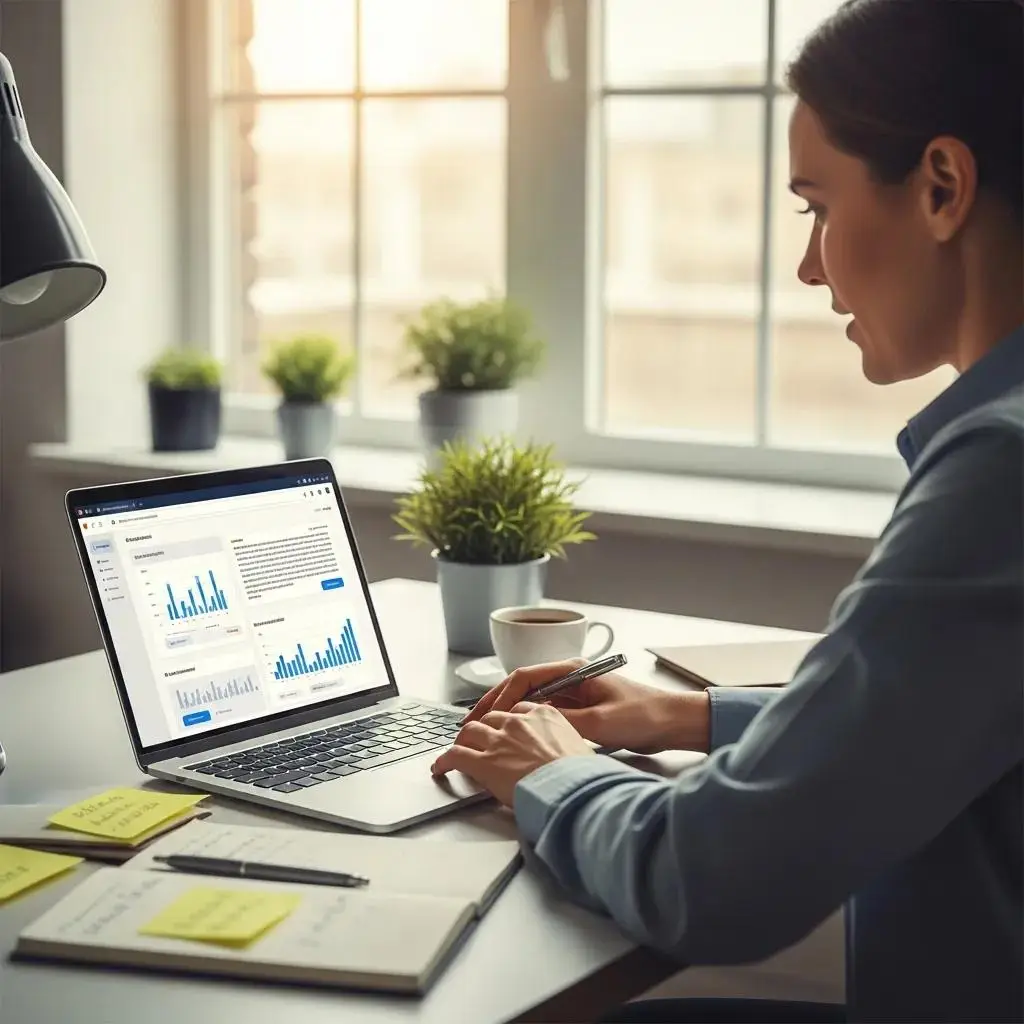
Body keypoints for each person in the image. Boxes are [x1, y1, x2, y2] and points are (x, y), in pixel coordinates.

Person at [429, 2, 1024, 1021]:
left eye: (815, 207)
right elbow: (952, 720)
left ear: (940, 187)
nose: (808, 264)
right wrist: (693, 715)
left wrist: (552, 771)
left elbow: (709, 882)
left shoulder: (1001, 468)